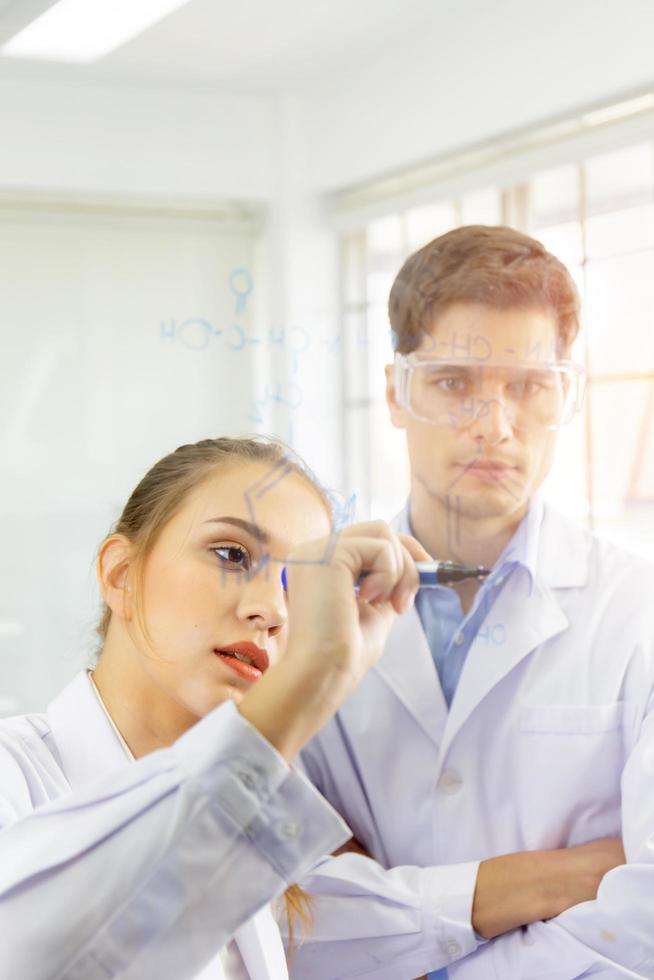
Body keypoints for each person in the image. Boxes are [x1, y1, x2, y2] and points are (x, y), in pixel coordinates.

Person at [288, 226, 654, 979]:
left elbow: (643, 914)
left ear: (564, 395)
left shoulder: (636, 611)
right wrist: (549, 877)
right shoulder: (302, 615)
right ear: (396, 391)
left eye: (528, 386)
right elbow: (288, 898)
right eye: (455, 382)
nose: (495, 425)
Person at [0, 436, 427, 980]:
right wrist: (297, 694)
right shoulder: (11, 776)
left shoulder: (251, 859)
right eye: (232, 554)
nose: (271, 610)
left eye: (298, 586)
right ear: (120, 574)